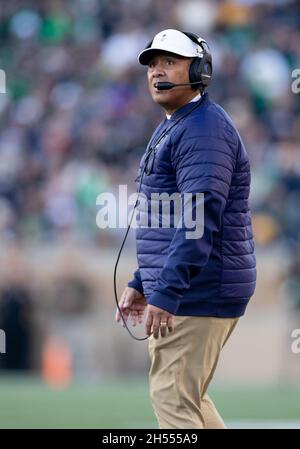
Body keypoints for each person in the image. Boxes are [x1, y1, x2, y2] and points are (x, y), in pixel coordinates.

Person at [115, 29, 256, 429]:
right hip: (195, 282)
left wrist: (168, 289)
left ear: (200, 71)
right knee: (187, 396)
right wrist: (144, 280)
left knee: (172, 398)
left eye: (170, 62)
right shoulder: (181, 123)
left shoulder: (202, 129)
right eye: (153, 64)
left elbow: (200, 218)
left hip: (199, 286)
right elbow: (168, 219)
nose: (157, 72)